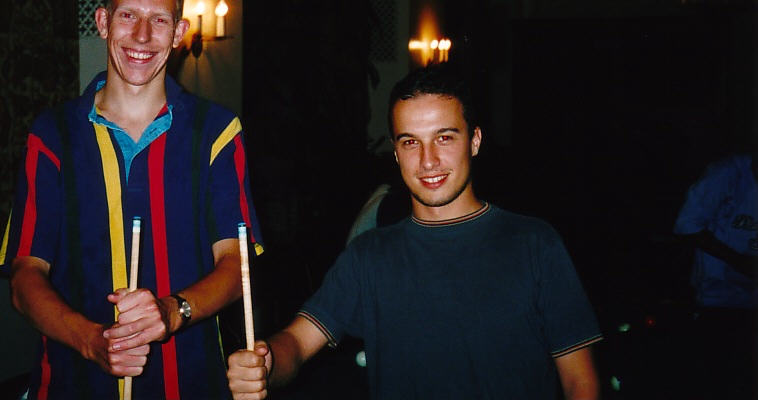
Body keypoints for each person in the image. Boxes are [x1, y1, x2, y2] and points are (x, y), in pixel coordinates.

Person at [227, 63, 602, 399]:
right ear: (395, 153)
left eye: (444, 137)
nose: (428, 161)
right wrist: (266, 364)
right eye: (410, 142)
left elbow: (580, 382)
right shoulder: (370, 255)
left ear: (474, 140)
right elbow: (296, 342)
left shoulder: (534, 244)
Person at [0, 0, 263, 399]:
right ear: (103, 22)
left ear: (179, 33)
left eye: (159, 20)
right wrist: (91, 341)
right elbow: (25, 278)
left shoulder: (216, 132)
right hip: (72, 385)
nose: (142, 35)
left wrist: (172, 311)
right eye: (128, 16)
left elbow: (237, 266)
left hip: (190, 385)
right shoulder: (52, 135)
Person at [673, 152, 757, 398]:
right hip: (718, 300)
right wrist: (741, 262)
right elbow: (686, 225)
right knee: (718, 379)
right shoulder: (727, 174)